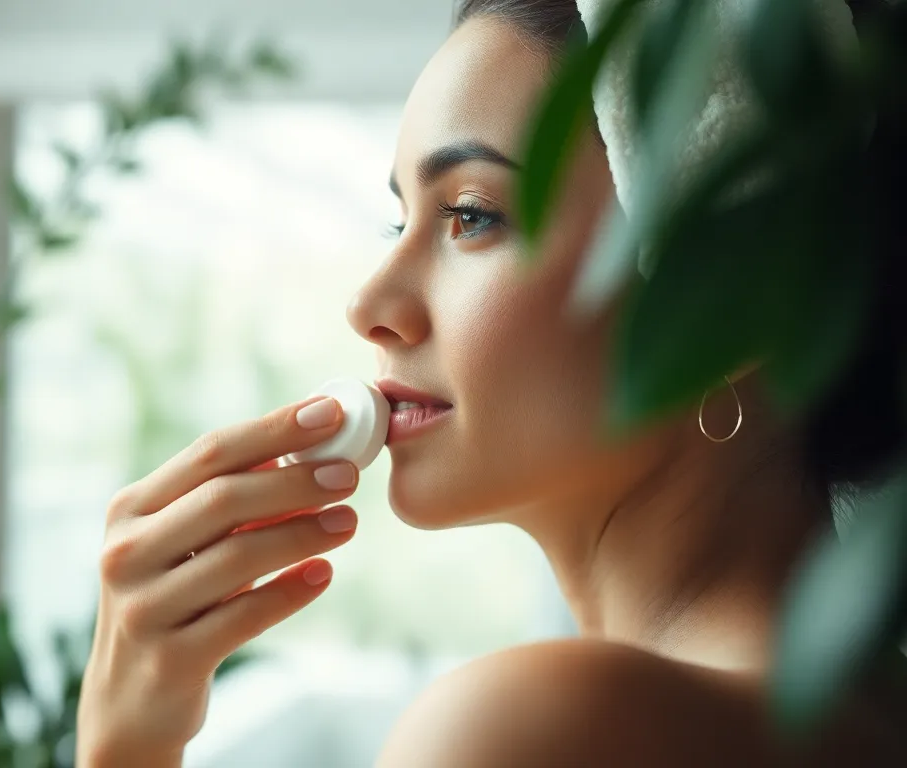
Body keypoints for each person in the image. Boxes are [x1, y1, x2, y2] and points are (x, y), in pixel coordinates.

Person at [76, 1, 907, 765]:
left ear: (721, 289)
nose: (369, 305)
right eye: (398, 222)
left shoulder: (522, 731)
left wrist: (121, 745)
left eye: (470, 214)